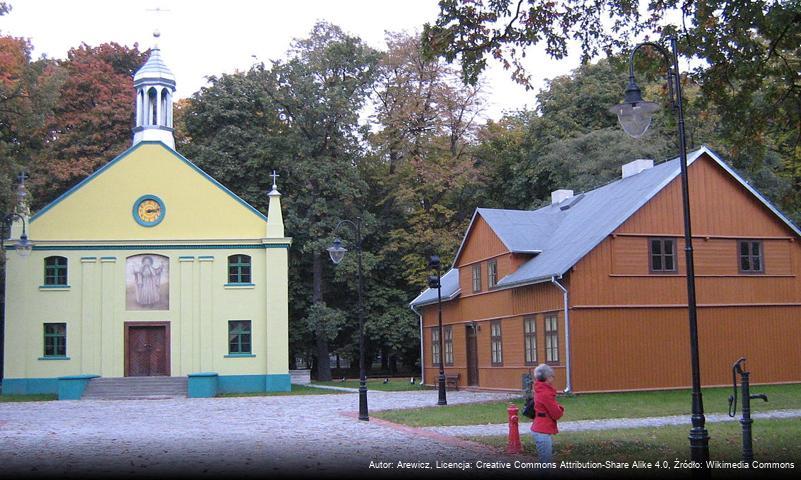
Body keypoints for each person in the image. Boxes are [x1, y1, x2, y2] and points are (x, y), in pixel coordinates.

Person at [530, 363, 564, 464]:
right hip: (542, 431)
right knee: (545, 464)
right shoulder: (546, 393)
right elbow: (556, 414)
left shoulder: (539, 390)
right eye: (552, 377)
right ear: (548, 378)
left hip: (539, 428)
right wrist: (560, 408)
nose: (553, 379)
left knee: (544, 462)